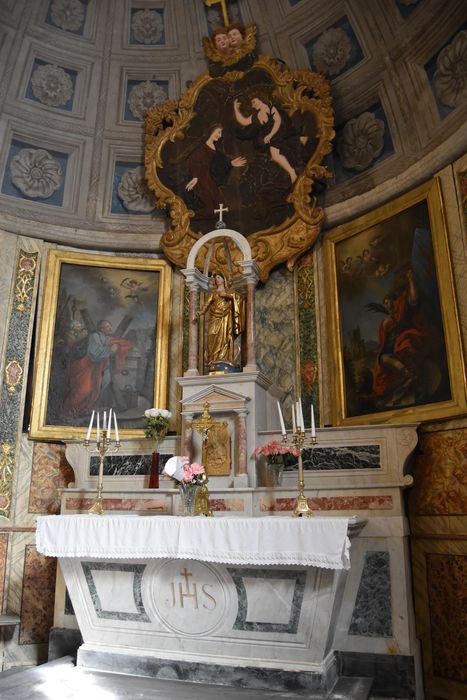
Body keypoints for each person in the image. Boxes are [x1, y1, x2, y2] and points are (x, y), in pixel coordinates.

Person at [371, 270, 432, 401]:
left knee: (405, 345)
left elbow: (414, 300)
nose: (388, 305)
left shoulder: (402, 307)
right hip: (390, 350)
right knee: (384, 359)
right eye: (386, 304)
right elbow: (383, 341)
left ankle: (412, 379)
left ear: (395, 301)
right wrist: (385, 327)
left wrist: (411, 281)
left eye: (389, 302)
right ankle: (409, 377)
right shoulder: (387, 321)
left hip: (404, 341)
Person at [62, 319, 133, 418]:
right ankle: (68, 411)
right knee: (84, 389)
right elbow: (94, 355)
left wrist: (117, 347)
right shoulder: (94, 337)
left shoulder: (107, 338)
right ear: (101, 328)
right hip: (87, 367)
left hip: (99, 369)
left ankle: (81, 409)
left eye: (110, 326)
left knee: (95, 390)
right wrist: (109, 350)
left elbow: (123, 344)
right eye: (107, 326)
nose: (110, 328)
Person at [233, 93, 301, 183]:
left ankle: (292, 173)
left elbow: (278, 121)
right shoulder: (256, 116)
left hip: (280, 134)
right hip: (271, 140)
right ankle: (290, 173)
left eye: (254, 102)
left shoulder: (270, 108)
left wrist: (270, 135)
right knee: (273, 157)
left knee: (275, 154)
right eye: (252, 103)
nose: (253, 105)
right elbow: (244, 121)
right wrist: (235, 108)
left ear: (261, 99)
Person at [184, 124, 246, 219]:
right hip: (200, 178)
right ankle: (188, 216)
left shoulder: (215, 147)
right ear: (211, 131)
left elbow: (218, 164)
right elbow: (194, 161)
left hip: (208, 178)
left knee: (221, 205)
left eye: (221, 132)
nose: (220, 135)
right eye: (218, 132)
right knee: (209, 207)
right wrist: (195, 177)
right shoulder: (202, 147)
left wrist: (231, 163)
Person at [196, 273, 244, 369]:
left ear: (223, 279)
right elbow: (207, 304)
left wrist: (227, 295)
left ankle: (224, 358)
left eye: (219, 277)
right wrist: (201, 312)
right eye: (215, 278)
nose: (217, 279)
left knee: (225, 337)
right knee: (211, 335)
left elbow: (240, 298)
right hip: (214, 318)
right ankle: (213, 359)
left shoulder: (229, 292)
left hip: (226, 318)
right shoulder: (213, 293)